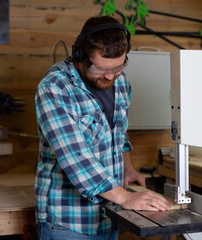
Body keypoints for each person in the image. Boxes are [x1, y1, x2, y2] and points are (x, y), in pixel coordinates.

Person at [35, 16, 170, 240]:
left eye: (118, 67)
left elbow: (118, 134)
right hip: (68, 223)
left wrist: (128, 169)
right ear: (80, 55)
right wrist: (126, 198)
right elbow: (75, 156)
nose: (110, 76)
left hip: (109, 217)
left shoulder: (121, 82)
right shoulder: (55, 87)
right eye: (100, 69)